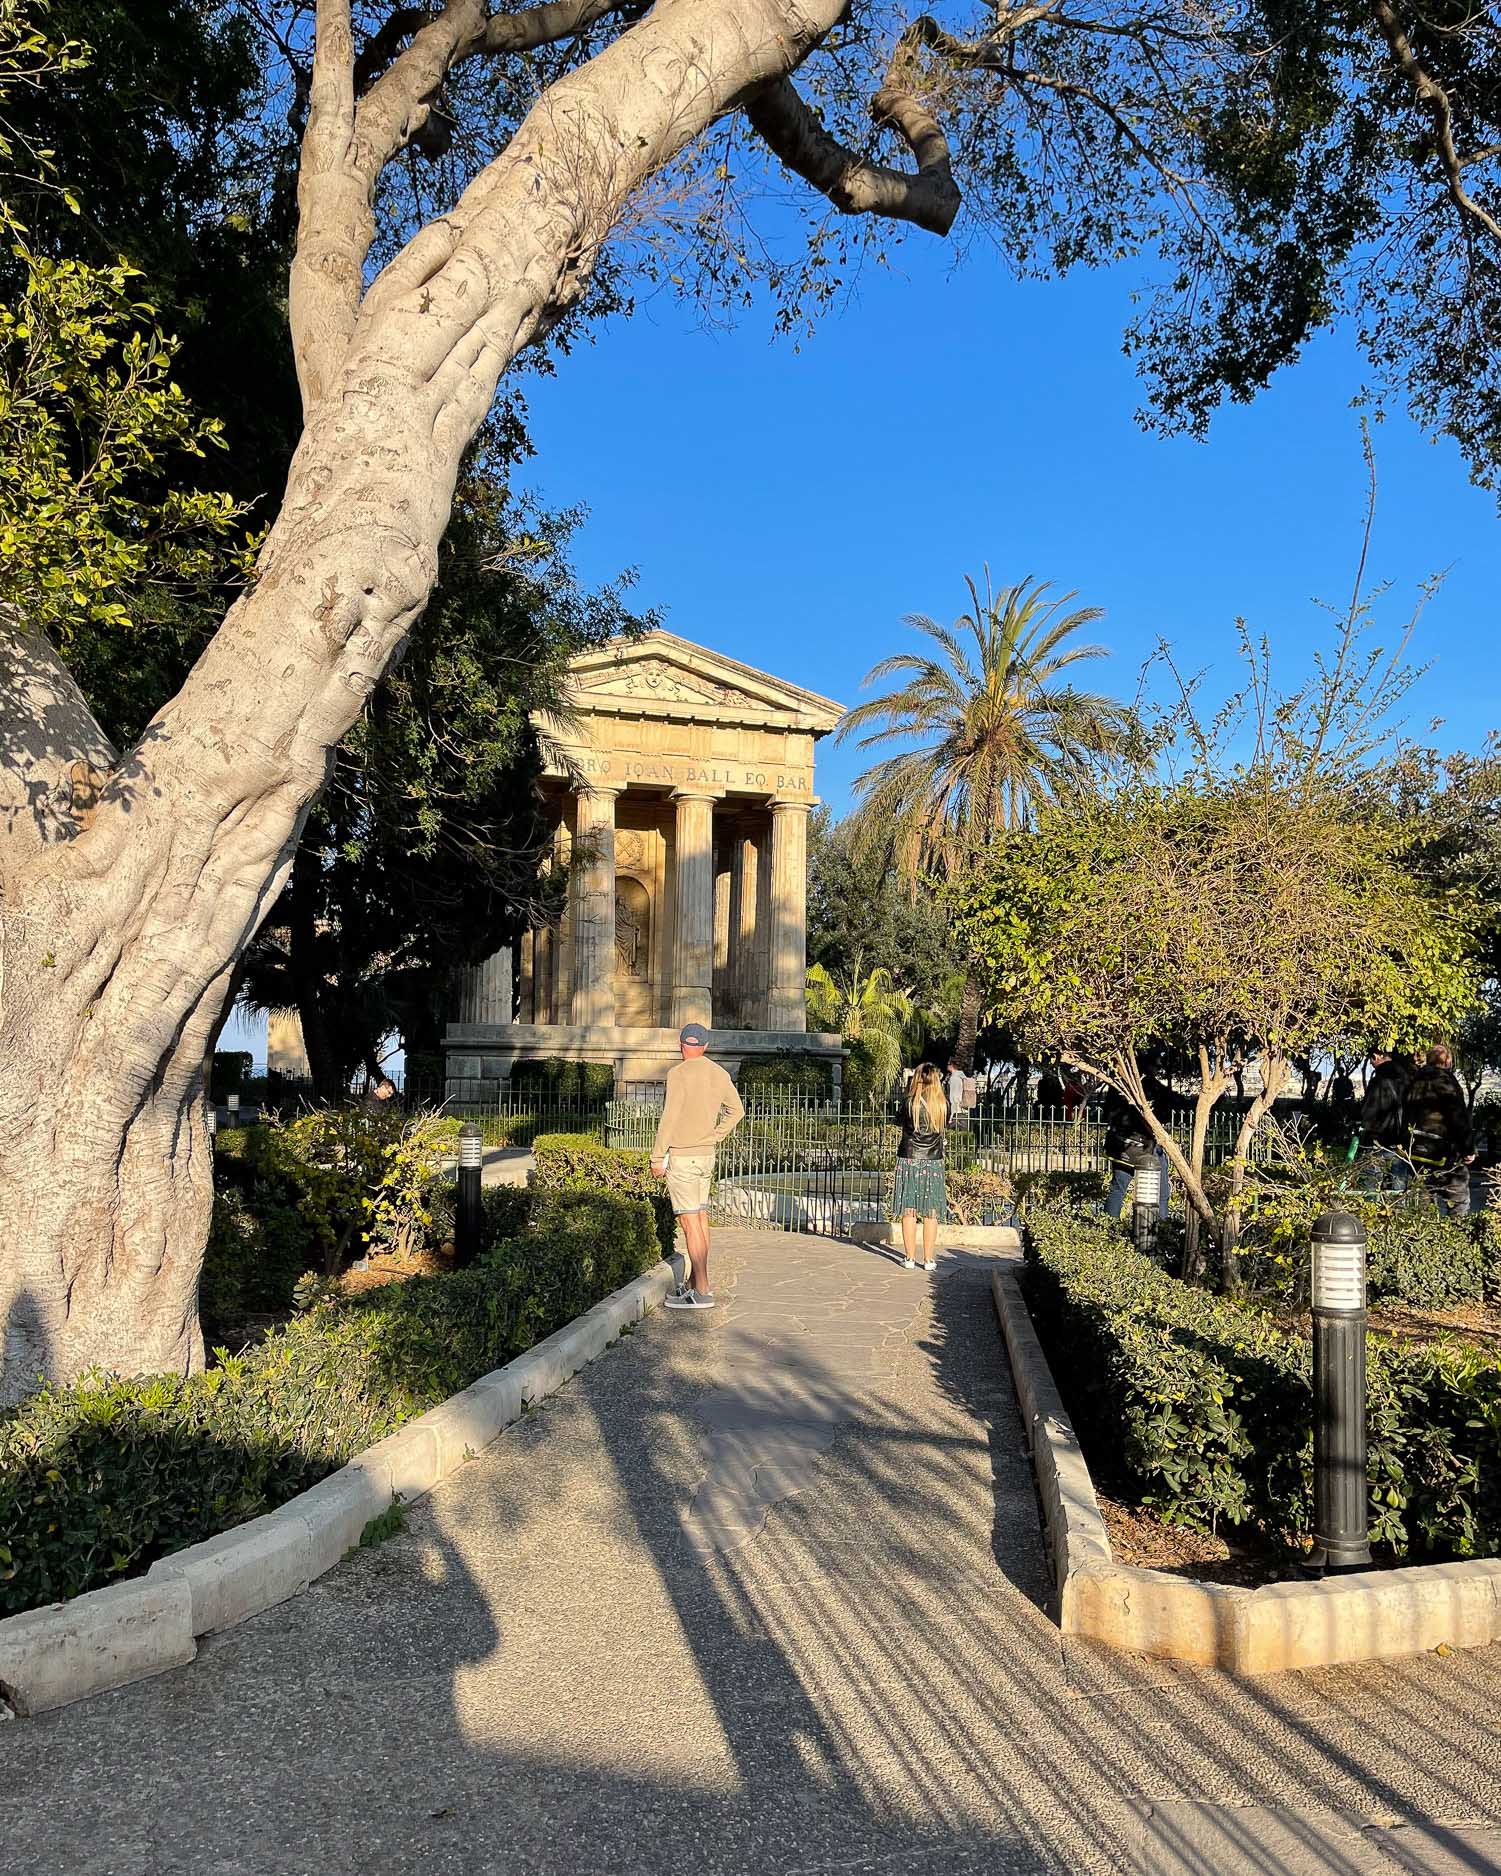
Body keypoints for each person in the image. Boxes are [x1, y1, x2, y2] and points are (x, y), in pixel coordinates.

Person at [651, 1023, 745, 1311]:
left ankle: (702, 1290)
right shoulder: (718, 1073)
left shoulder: (677, 1074)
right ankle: (695, 1282)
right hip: (706, 1155)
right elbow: (737, 1110)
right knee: (701, 1220)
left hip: (683, 1156)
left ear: (681, 1046)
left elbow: (670, 1116)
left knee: (690, 1224)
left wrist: (657, 1156)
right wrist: (716, 1134)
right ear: (704, 1046)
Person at [1405, 1043, 1474, 1218]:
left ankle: (1425, 1238)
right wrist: (1468, 1148)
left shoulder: (1414, 1081)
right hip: (1443, 1150)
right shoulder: (1446, 1082)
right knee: (1458, 1198)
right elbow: (1457, 1116)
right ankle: (1457, 1235)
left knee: (1422, 1200)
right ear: (1447, 1061)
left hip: (1416, 1149)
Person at [895, 1062, 948, 1271]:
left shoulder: (909, 1103)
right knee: (931, 1211)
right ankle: (928, 1259)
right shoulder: (943, 1105)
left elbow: (899, 1121)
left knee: (909, 1209)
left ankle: (909, 1257)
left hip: (909, 1158)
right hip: (933, 1160)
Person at [1102, 1081, 1170, 1223]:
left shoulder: (1117, 1085)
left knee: (1117, 1189)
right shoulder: (1149, 1085)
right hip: (1146, 1147)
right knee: (1161, 1193)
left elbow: (1107, 1113)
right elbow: (1164, 1112)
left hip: (1123, 1146)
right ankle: (1162, 1228)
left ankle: (1107, 1227)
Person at [1357, 1050, 1411, 1192]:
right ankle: (1399, 1213)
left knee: (1370, 1187)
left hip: (1377, 1140)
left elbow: (1367, 1112)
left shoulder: (1378, 1080)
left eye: (1371, 1059)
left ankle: (1369, 1213)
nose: (1371, 1062)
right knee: (1398, 1188)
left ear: (1377, 1056)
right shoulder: (1406, 1079)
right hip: (1400, 1140)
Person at [945, 1057, 966, 1125]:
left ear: (952, 1065)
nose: (947, 1066)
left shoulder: (954, 1078)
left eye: (948, 1064)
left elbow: (954, 1095)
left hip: (956, 1109)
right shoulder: (957, 1076)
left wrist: (951, 1117)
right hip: (959, 1109)